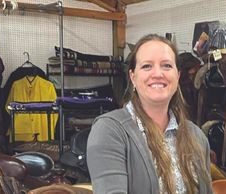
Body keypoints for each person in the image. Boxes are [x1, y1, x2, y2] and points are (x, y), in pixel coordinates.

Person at [87, 34, 212, 194]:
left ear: (177, 75)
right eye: (147, 66)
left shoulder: (197, 136)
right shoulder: (110, 131)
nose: (158, 74)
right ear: (133, 76)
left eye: (166, 65)